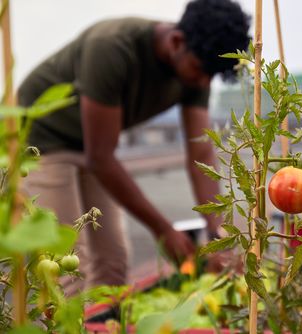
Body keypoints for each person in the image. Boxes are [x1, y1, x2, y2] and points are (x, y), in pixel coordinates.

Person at [18, 0, 250, 295]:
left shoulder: (197, 64)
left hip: (92, 146)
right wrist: (164, 230)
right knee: (67, 267)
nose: (203, 81)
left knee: (112, 263)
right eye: (201, 70)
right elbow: (101, 158)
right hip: (40, 138)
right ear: (177, 41)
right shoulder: (113, 47)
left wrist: (219, 236)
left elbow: (200, 153)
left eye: (212, 75)